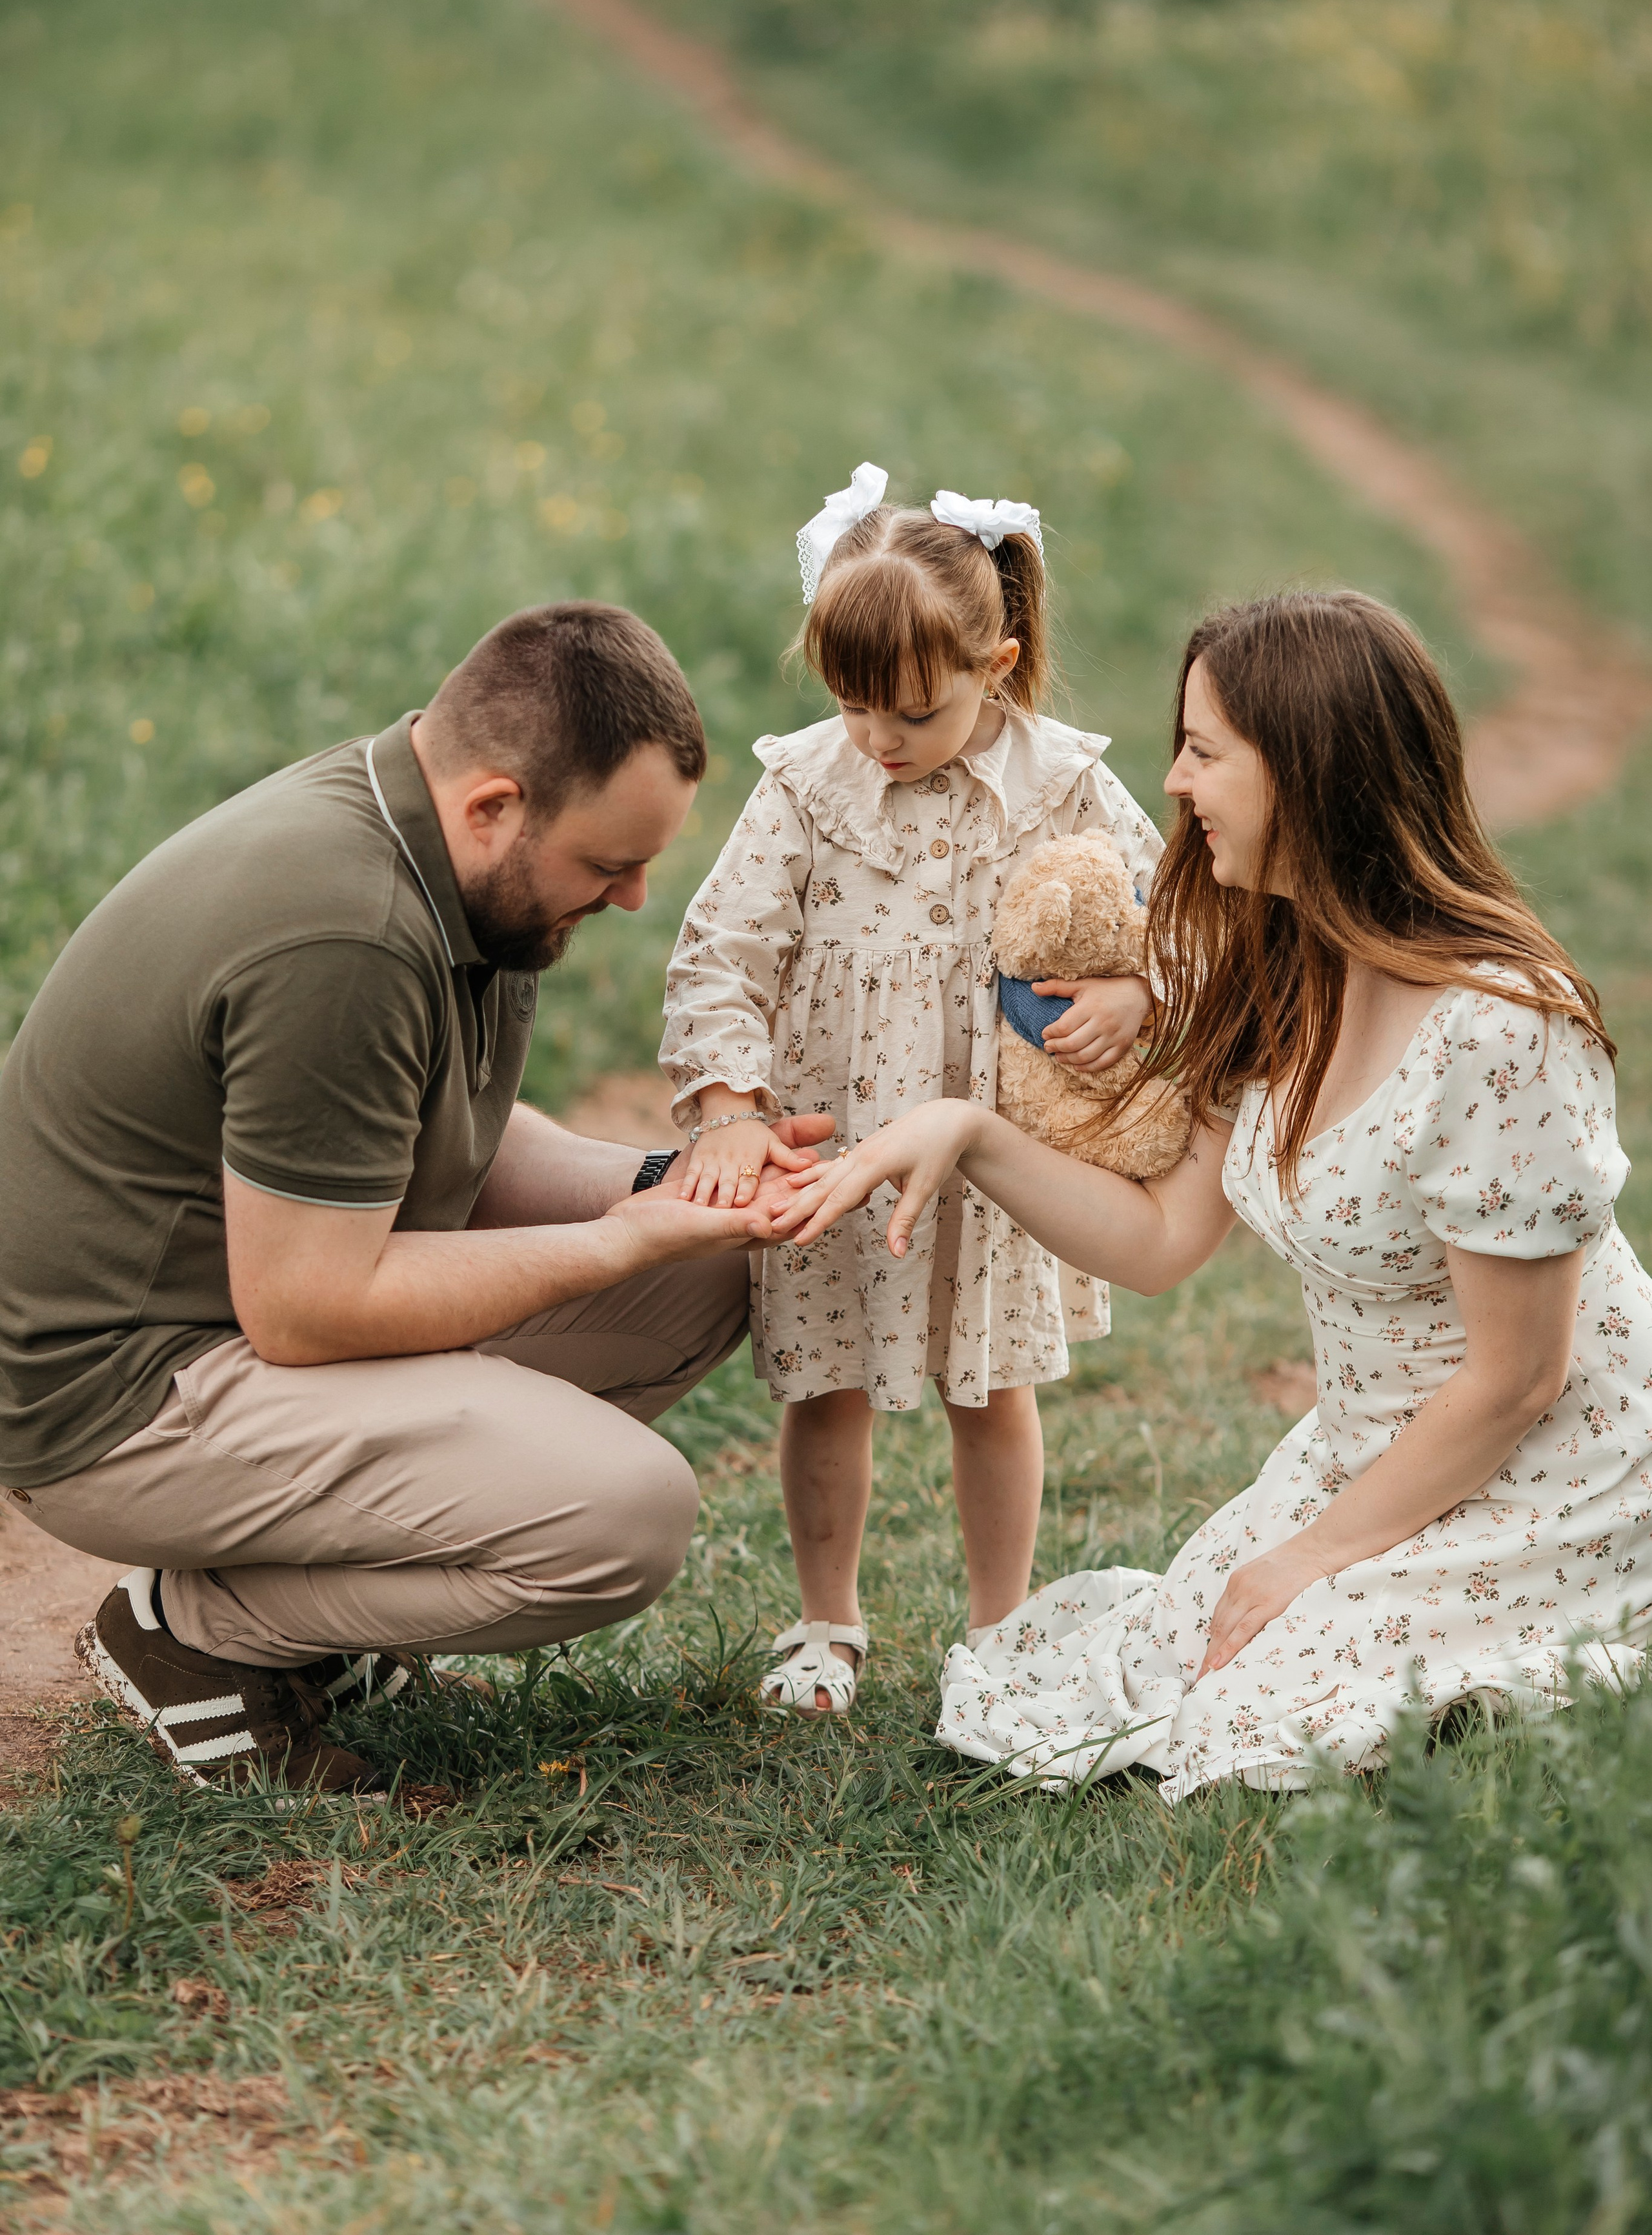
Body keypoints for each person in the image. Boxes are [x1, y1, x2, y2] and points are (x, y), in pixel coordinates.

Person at [771, 588, 1652, 1801]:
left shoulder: (1502, 1029)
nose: (1175, 784)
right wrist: (969, 1134)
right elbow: (1160, 1242)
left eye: (1202, 752)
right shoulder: (1276, 970)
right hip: (1367, 1450)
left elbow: (1517, 1379)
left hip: (1555, 1471)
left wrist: (1310, 1559)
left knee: (1273, 1707)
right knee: (1149, 1675)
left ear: (1310, 772)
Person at [0, 602, 827, 1794]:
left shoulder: (448, 857)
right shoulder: (345, 935)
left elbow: (448, 1147)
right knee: (623, 1518)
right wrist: (610, 1243)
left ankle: (310, 1611)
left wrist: (678, 1191)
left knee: (705, 1266)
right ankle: (198, 1634)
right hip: (112, 1399)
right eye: (608, 865)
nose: (638, 897)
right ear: (495, 805)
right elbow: (307, 1306)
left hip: (239, 1317)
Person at [659, 463, 1163, 1715]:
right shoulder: (806, 787)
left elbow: (1178, 912)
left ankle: (1001, 1627)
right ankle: (824, 1623)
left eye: (911, 714)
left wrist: (1140, 993)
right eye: (850, 705)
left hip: (993, 1148)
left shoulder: (1063, 783)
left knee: (989, 1389)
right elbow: (721, 950)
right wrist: (729, 1105)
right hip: (839, 1141)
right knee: (824, 1387)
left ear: (995, 665)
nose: (877, 739)